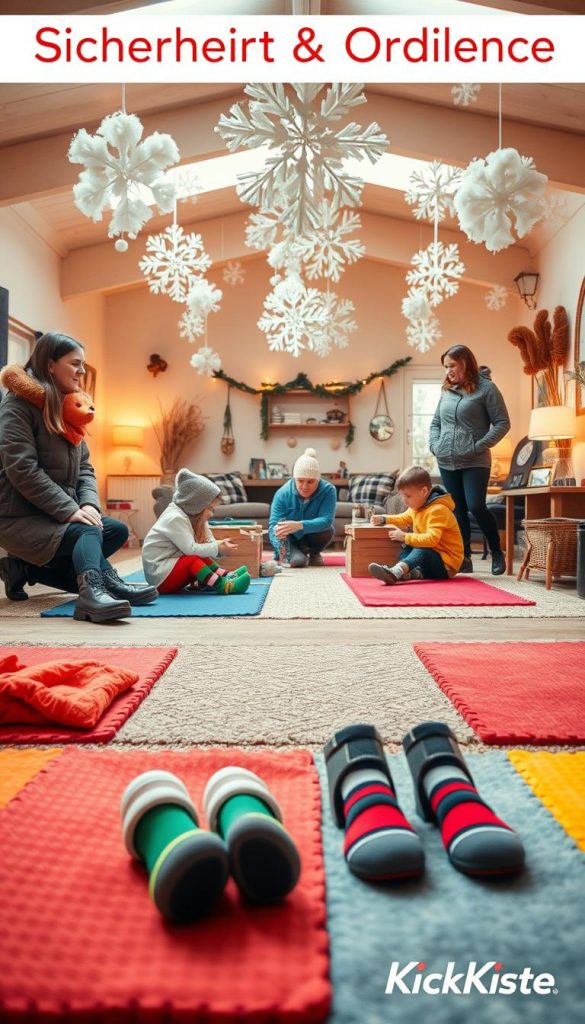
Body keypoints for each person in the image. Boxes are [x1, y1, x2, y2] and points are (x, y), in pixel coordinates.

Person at [0, 332, 157, 622]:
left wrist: (87, 506)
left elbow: (85, 468)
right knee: (87, 532)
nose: (82, 371)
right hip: (19, 518)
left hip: (53, 515)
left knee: (113, 530)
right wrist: (70, 509)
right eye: (75, 363)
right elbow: (22, 468)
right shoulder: (17, 407)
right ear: (50, 365)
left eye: (83, 365)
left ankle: (26, 570)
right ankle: (92, 594)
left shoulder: (68, 409)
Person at [429, 345, 510, 575]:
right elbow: (436, 422)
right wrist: (435, 445)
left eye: (452, 366)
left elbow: (503, 423)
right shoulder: (446, 390)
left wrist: (478, 446)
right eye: (446, 367)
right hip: (446, 460)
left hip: (475, 461)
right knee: (458, 510)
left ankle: (496, 551)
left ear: (466, 363)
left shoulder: (487, 389)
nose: (448, 372)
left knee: (476, 506)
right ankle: (464, 557)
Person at [142, 469, 251, 595]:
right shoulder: (175, 518)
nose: (212, 513)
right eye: (210, 508)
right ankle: (223, 585)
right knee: (192, 558)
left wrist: (220, 545)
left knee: (200, 555)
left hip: (171, 569)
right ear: (196, 505)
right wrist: (218, 548)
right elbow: (190, 550)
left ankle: (226, 575)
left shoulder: (196, 517)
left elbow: (209, 542)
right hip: (160, 577)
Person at [368, 465, 464, 585]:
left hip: (446, 565)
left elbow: (431, 540)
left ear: (424, 491)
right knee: (407, 547)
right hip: (431, 559)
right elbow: (403, 517)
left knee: (421, 548)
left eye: (408, 496)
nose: (404, 500)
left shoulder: (438, 510)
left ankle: (397, 571)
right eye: (402, 496)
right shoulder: (417, 507)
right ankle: (411, 573)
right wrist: (384, 519)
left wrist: (405, 536)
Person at [268, 447, 336, 568]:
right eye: (300, 481)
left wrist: (299, 525)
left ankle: (314, 553)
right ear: (294, 479)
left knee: (327, 530)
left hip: (313, 535)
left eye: (310, 482)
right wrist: (279, 538)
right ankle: (289, 554)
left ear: (318, 480)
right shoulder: (282, 493)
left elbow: (326, 520)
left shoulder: (328, 490)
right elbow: (273, 526)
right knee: (298, 562)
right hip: (290, 539)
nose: (305, 486)